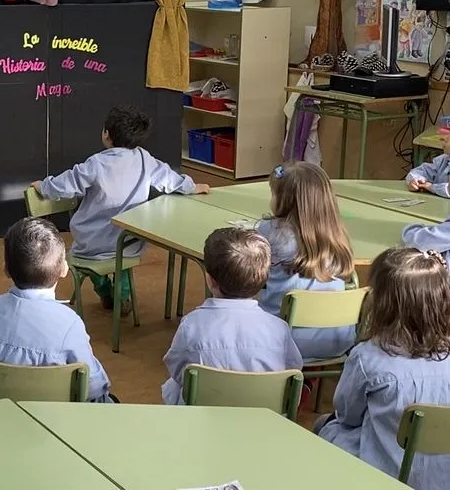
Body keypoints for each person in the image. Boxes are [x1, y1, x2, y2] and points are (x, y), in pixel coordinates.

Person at [32, 105, 209, 315]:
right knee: (121, 261)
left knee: (85, 261)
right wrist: (192, 187)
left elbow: (66, 184)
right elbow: (170, 179)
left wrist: (43, 186)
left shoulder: (96, 163)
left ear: (106, 135)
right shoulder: (144, 158)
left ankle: (105, 291)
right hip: (129, 240)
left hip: (93, 241)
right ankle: (122, 296)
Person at [316, 248, 450, 489]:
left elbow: (347, 414)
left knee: (327, 426)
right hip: (441, 478)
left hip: (384, 474)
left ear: (381, 302)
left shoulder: (368, 357)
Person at [161, 228, 302, 405]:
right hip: (260, 415)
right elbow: (293, 369)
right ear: (263, 281)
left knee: (173, 386)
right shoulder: (279, 328)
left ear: (210, 280)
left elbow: (176, 368)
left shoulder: (191, 325)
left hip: (203, 415)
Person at [0, 217, 113, 402]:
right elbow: (93, 387)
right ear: (64, 269)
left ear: (6, 270)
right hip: (59, 417)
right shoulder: (69, 323)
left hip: (5, 411)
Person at [256, 163, 356, 361]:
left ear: (283, 200)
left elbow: (251, 278)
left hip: (284, 342)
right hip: (336, 341)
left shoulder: (269, 231)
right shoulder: (338, 236)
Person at [405, 132, 450, 198]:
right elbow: (421, 171)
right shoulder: (444, 159)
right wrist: (416, 180)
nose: (443, 146)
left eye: (446, 141)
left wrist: (431, 187)